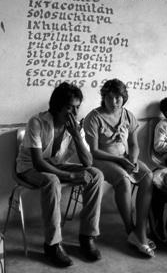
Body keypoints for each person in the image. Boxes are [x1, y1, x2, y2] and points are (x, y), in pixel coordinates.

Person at [16, 82, 103, 267]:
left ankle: (87, 237)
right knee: (52, 180)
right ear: (57, 106)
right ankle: (53, 245)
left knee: (95, 175)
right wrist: (70, 176)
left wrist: (77, 136)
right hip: (29, 168)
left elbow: (88, 162)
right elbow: (39, 163)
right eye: (69, 107)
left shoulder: (75, 127)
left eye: (77, 107)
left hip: (57, 165)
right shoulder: (37, 122)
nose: (74, 112)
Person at [84, 79, 155, 258]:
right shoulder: (93, 117)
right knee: (123, 179)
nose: (114, 102)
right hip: (101, 160)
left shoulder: (128, 115)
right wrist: (120, 161)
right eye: (110, 98)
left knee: (147, 176)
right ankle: (130, 229)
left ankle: (140, 230)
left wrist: (133, 158)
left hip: (123, 158)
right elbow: (94, 151)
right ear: (103, 98)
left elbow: (134, 144)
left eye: (118, 98)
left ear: (124, 98)